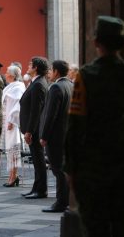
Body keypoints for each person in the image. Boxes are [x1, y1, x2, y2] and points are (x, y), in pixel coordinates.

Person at [65, 16, 124, 237]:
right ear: (122, 43)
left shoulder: (86, 75)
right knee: (122, 226)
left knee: (95, 228)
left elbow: (75, 125)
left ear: (96, 42)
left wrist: (71, 167)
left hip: (91, 165)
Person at [39, 60, 73, 212]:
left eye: (51, 70)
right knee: (63, 169)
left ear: (57, 72)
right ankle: (67, 200)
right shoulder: (71, 85)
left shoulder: (56, 87)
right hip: (67, 134)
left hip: (55, 136)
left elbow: (50, 115)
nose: (49, 73)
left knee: (57, 169)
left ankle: (61, 202)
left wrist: (44, 136)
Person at [19, 56, 49, 199]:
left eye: (30, 64)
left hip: (35, 129)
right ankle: (36, 187)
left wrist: (29, 131)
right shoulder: (35, 82)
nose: (28, 66)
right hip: (33, 128)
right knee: (36, 159)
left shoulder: (38, 84)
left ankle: (41, 189)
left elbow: (36, 110)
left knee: (38, 159)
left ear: (36, 67)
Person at [0, 64, 25, 187]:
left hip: (13, 123)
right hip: (7, 122)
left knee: (13, 150)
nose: (5, 74)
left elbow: (18, 106)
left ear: (13, 75)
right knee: (9, 150)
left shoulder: (19, 87)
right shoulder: (10, 86)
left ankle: (14, 176)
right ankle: (11, 175)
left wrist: (11, 120)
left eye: (7, 72)